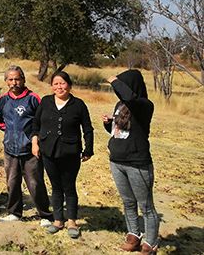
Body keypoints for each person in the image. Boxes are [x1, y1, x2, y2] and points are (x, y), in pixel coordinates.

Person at [31, 71, 93, 239]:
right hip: (48, 151)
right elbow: (35, 125)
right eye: (56, 84)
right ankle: (58, 220)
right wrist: (35, 143)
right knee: (55, 187)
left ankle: (72, 221)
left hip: (70, 153)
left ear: (69, 85)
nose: (59, 87)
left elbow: (87, 129)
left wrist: (88, 149)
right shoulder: (45, 102)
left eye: (62, 83)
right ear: (52, 86)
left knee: (69, 186)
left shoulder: (78, 105)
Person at [103, 70, 159, 254]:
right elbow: (118, 131)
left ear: (132, 86)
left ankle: (151, 242)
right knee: (128, 202)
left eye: (123, 84)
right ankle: (134, 234)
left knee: (146, 206)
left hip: (137, 163)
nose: (119, 88)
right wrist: (108, 123)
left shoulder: (144, 105)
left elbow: (131, 98)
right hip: (117, 161)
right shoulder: (121, 104)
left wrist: (113, 80)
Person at [0, 65, 53, 225]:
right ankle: (15, 212)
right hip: (10, 149)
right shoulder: (2, 100)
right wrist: (11, 131)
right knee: (12, 182)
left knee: (35, 183)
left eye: (17, 79)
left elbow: (42, 121)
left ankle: (45, 215)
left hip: (30, 150)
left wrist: (33, 138)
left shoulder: (33, 98)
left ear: (23, 79)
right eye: (11, 79)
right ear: (6, 81)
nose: (14, 82)